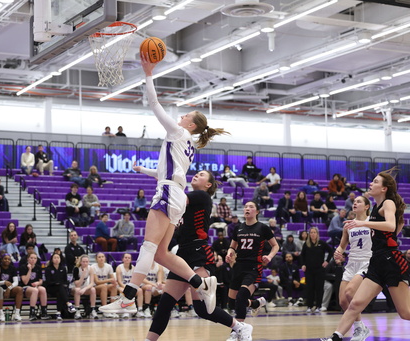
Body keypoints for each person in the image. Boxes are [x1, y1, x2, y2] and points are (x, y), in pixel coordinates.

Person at [100, 54, 228, 317]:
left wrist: (148, 73)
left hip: (170, 193)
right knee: (161, 254)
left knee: (149, 247)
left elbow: (154, 103)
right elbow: (166, 173)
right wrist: (143, 169)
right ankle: (202, 284)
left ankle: (127, 298)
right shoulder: (189, 144)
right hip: (175, 193)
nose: (180, 116)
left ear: (190, 125)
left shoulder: (179, 133)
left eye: (185, 115)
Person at [146, 169, 250, 340]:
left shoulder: (201, 196)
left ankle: (240, 327)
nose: (196, 175)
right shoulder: (193, 199)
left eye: (201, 175)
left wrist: (166, 182)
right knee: (164, 305)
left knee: (203, 308)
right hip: (183, 253)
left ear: (208, 185)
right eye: (197, 173)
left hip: (197, 252)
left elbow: (177, 200)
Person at [321, 169, 409, 341]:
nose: (371, 183)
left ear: (384, 188)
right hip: (376, 262)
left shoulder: (388, 203)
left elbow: (391, 226)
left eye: (376, 181)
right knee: (354, 303)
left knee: (405, 313)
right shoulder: (376, 208)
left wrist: (363, 222)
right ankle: (335, 338)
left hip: (392, 262)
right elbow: (396, 228)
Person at [225, 201, 279, 341]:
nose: (247, 209)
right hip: (238, 267)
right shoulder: (238, 228)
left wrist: (269, 256)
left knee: (242, 296)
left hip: (254, 267)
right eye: (246, 207)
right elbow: (232, 247)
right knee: (232, 303)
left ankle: (236, 332)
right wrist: (229, 253)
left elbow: (275, 246)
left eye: (251, 207)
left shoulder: (262, 228)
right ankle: (255, 303)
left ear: (257, 211)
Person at [332, 196, 372, 340]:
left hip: (366, 261)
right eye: (354, 201)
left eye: (359, 201)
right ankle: (360, 327)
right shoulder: (348, 225)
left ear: (367, 206)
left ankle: (359, 329)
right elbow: (342, 245)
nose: (355, 203)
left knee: (350, 293)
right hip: (351, 263)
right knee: (343, 301)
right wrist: (338, 252)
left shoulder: (372, 222)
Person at [301, 226, 333, 313]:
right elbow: (302, 255)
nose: (313, 234)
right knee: (310, 288)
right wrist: (303, 264)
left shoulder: (321, 243)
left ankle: (318, 306)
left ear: (317, 234)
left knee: (319, 288)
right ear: (309, 234)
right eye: (311, 232)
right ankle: (309, 306)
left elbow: (331, 251)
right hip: (309, 270)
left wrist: (327, 261)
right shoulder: (306, 244)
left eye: (314, 232)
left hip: (319, 269)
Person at [20, 252, 51, 320]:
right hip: (26, 288)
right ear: (28, 259)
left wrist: (37, 283)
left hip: (35, 287)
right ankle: (32, 313)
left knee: (43, 289)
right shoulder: (23, 267)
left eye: (35, 258)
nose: (33, 260)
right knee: (35, 290)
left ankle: (43, 312)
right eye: (31, 258)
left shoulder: (38, 267)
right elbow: (25, 282)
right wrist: (30, 270)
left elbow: (41, 280)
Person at [44, 253, 77, 318]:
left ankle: (58, 313)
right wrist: (57, 283)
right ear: (52, 259)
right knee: (60, 288)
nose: (56, 259)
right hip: (51, 288)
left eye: (58, 258)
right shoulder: (48, 269)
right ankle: (69, 304)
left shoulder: (63, 268)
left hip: (60, 289)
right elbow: (48, 281)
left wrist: (64, 284)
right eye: (55, 258)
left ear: (60, 259)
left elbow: (65, 280)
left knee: (60, 291)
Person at [116, 253, 144, 317]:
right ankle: (125, 310)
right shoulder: (119, 267)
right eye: (125, 257)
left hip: (131, 286)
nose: (127, 259)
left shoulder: (133, 268)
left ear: (131, 260)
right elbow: (119, 281)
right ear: (123, 259)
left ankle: (140, 310)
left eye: (129, 258)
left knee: (140, 290)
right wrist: (127, 288)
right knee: (123, 291)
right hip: (121, 286)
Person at [0, 254, 23, 321]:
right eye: (5, 259)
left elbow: (16, 282)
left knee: (19, 289)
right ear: (2, 259)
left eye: (9, 259)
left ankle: (17, 313)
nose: (7, 260)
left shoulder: (13, 268)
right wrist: (4, 282)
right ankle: (1, 314)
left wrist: (9, 288)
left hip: (10, 290)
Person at [92, 252, 118, 318]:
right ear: (96, 259)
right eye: (99, 257)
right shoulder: (93, 267)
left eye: (102, 257)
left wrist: (114, 282)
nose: (101, 258)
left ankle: (112, 309)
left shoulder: (108, 266)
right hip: (95, 287)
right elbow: (97, 282)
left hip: (105, 287)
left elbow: (113, 279)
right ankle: (105, 310)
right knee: (104, 286)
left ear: (105, 258)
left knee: (113, 286)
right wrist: (109, 280)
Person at [72, 254, 98, 319]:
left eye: (87, 262)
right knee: (78, 289)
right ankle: (77, 310)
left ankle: (93, 310)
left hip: (84, 287)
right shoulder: (76, 269)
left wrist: (84, 289)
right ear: (80, 262)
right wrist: (83, 275)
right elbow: (77, 285)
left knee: (93, 289)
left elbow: (92, 283)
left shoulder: (90, 268)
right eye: (83, 262)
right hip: (74, 288)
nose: (85, 263)